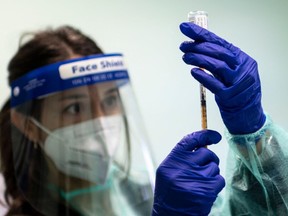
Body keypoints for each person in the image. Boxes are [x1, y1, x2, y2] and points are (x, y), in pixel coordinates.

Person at [0, 26, 158, 215]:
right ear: (28, 126)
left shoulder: (148, 194)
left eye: (109, 100)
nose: (101, 123)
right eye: (74, 108)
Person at [152, 22, 288, 216]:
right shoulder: (163, 197)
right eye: (90, 105)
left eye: (110, 100)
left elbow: (261, 209)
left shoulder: (136, 190)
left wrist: (252, 136)